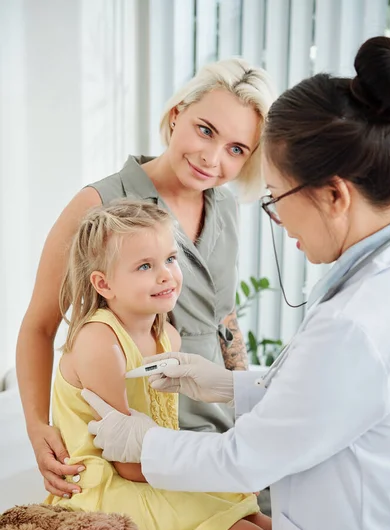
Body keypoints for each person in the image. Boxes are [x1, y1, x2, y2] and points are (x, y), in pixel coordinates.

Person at [83, 36, 390, 530]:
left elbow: (247, 458)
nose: (276, 218)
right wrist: (230, 385)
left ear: (334, 196)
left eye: (275, 198)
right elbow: (322, 396)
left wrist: (145, 442)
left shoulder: (360, 321)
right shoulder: (101, 207)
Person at [16, 58, 275, 501]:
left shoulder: (226, 209)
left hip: (221, 425)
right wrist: (38, 427)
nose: (212, 159)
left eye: (236, 149)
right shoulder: (99, 202)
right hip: (144, 433)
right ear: (177, 116)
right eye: (206, 130)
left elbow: (224, 316)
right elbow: (40, 325)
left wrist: (244, 401)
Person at [45, 200, 273, 530]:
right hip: (104, 489)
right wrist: (215, 473)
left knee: (271, 528)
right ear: (103, 285)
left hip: (153, 468)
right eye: (145, 266)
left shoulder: (167, 334)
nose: (166, 274)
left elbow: (157, 440)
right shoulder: (101, 343)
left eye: (170, 258)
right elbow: (127, 466)